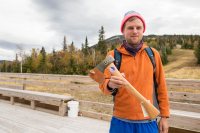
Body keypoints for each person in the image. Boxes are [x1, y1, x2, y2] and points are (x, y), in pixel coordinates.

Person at [99, 11, 170, 133]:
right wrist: (110, 84)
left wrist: (164, 116)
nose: (135, 31)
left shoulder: (153, 54)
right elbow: (102, 85)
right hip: (120, 121)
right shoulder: (111, 55)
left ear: (143, 30)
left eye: (139, 27)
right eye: (130, 28)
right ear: (123, 31)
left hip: (148, 121)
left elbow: (161, 87)